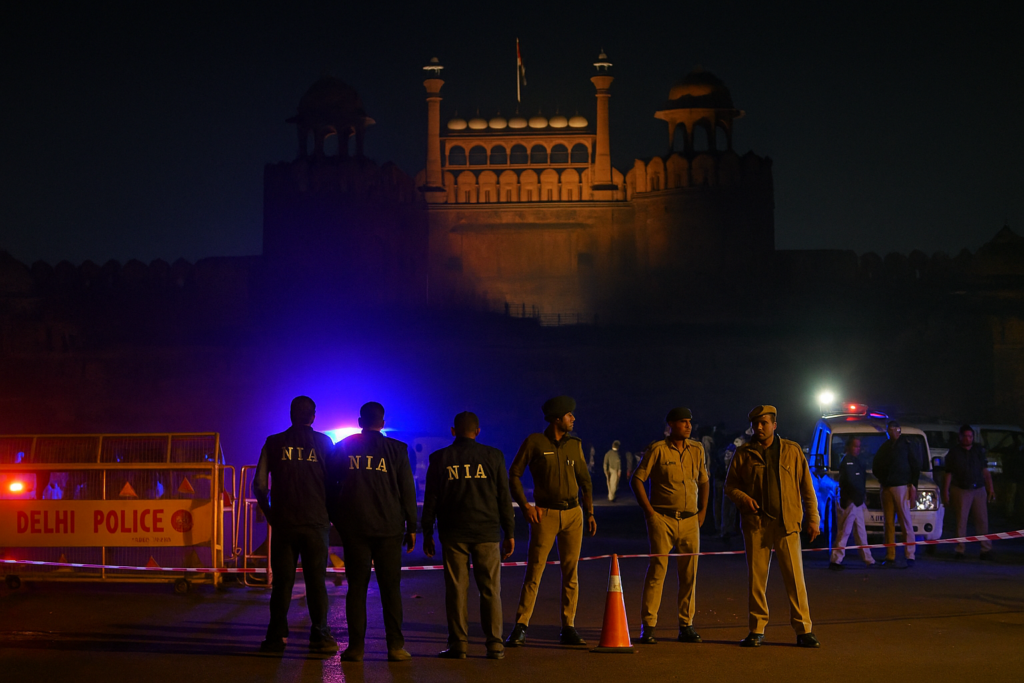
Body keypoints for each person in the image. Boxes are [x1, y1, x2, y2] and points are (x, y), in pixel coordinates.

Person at [421, 411, 516, 660]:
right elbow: (503, 497)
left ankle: (459, 645)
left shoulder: (440, 458)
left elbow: (431, 498)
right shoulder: (494, 456)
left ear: (453, 431)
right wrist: (510, 531)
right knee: (490, 590)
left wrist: (427, 531)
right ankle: (495, 644)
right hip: (487, 532)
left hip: (453, 533)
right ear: (478, 431)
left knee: (456, 590)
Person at [725, 405, 820, 649]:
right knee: (757, 580)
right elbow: (730, 487)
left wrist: (813, 519)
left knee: (795, 580)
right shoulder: (744, 453)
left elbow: (807, 488)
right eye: (755, 424)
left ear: (774, 425)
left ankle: (803, 630)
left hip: (787, 524)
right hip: (757, 525)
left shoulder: (792, 450)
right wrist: (744, 499)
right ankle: (756, 630)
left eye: (764, 423)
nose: (759, 428)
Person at [328, 402, 417, 662]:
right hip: (389, 528)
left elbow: (330, 485)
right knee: (391, 588)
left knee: (356, 588)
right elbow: (407, 490)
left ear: (359, 421)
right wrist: (412, 526)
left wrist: (337, 518)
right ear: (383, 422)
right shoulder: (398, 449)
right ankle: (395, 646)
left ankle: (356, 648)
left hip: (355, 527)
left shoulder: (344, 447)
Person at [505, 395, 596, 648]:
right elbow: (514, 475)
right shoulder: (534, 442)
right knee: (535, 571)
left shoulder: (574, 444)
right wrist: (525, 506)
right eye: (569, 415)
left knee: (571, 573)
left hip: (573, 513)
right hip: (544, 515)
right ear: (557, 418)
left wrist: (589, 512)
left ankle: (568, 626)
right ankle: (521, 626)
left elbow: (585, 482)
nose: (573, 419)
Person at [253, 396, 337, 654]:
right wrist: (330, 514)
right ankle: (320, 636)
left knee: (282, 583)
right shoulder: (325, 443)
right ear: (313, 416)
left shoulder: (274, 442)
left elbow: (258, 485)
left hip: (284, 523)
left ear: (290, 414)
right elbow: (336, 483)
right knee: (316, 582)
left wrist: (271, 515)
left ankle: (275, 638)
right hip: (316, 523)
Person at [631, 407, 709, 645]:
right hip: (662, 519)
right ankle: (649, 625)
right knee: (657, 571)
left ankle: (686, 625)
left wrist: (702, 511)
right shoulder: (657, 449)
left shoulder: (697, 449)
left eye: (689, 422)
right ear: (671, 425)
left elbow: (704, 480)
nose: (688, 425)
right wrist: (650, 513)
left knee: (689, 575)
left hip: (689, 520)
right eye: (683, 422)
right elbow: (637, 479)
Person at [942, 425, 996, 560]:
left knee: (982, 520)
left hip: (978, 489)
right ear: (960, 437)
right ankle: (960, 550)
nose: (967, 439)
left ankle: (985, 549)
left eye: (970, 436)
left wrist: (991, 489)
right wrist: (945, 492)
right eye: (965, 436)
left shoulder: (978, 451)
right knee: (961, 520)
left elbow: (985, 471)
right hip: (960, 489)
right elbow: (948, 473)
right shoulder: (954, 452)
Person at [872, 420, 920, 567]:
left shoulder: (906, 445)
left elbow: (915, 465)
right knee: (888, 523)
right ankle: (890, 555)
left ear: (899, 430)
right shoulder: (885, 446)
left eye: (893, 429)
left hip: (901, 486)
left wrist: (913, 486)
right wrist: (882, 479)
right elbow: (876, 465)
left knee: (905, 521)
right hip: (887, 486)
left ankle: (910, 554)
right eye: (889, 430)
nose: (891, 432)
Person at [829, 437, 876, 570]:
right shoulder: (847, 461)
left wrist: (862, 496)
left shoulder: (856, 461)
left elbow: (859, 481)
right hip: (851, 501)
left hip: (857, 501)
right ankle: (835, 560)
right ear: (849, 447)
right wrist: (853, 498)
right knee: (845, 531)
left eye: (859, 446)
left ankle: (869, 559)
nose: (858, 449)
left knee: (861, 531)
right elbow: (850, 482)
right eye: (855, 446)